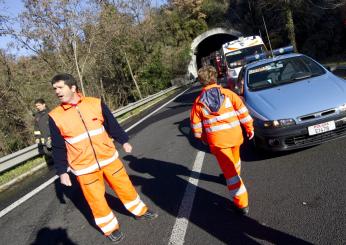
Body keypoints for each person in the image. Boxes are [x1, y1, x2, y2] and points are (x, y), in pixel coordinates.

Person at [48, 73, 158, 243]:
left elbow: (111, 124)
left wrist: (124, 141)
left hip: (109, 157)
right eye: (55, 88)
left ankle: (140, 210)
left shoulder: (95, 103)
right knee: (96, 199)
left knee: (125, 187)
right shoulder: (55, 116)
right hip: (84, 167)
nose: (57, 91)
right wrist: (62, 171)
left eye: (60, 87)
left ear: (72, 88)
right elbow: (58, 146)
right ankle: (110, 228)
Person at [190, 65, 254, 215]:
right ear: (215, 77)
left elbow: (197, 128)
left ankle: (242, 204)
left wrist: (204, 138)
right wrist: (249, 128)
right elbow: (243, 112)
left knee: (230, 176)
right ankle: (235, 174)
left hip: (218, 143)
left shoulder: (198, 102)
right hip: (235, 137)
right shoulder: (228, 94)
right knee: (235, 161)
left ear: (201, 81)